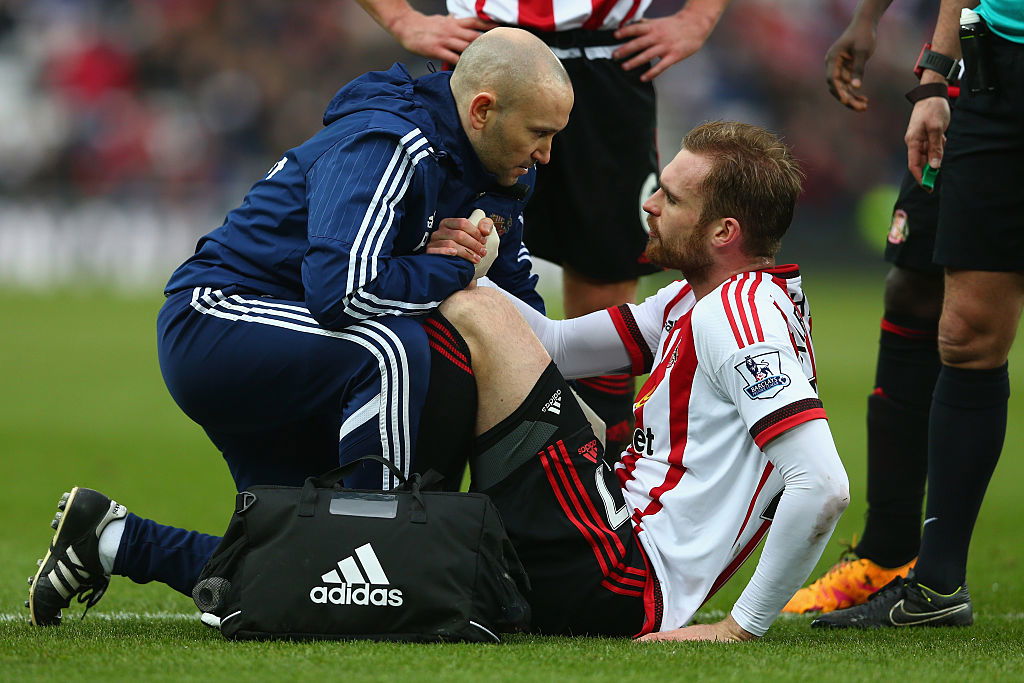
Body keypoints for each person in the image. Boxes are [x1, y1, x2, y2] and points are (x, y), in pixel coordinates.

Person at [25, 27, 574, 627]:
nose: (545, 154)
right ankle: (389, 565)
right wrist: (447, 270)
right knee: (389, 350)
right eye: (539, 133)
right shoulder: (389, 141)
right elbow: (342, 289)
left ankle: (112, 541)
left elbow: (518, 307)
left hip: (300, 338)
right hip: (216, 318)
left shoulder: (505, 170)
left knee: (294, 563)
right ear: (482, 110)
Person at [438, 121, 848, 638]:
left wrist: (740, 628)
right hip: (612, 533)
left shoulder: (737, 316)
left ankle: (400, 521)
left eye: (672, 199)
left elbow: (824, 486)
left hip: (625, 574)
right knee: (474, 306)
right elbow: (557, 347)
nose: (650, 204)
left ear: (724, 232)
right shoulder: (696, 297)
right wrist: (482, 263)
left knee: (469, 309)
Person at [356, 0, 733, 457]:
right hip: (489, 56)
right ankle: (442, 501)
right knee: (456, 270)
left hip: (607, 61)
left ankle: (599, 497)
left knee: (602, 300)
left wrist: (700, 16)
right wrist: (401, 17)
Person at [813, 0, 1023, 628]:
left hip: (974, 69)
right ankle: (919, 573)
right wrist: (934, 73)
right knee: (958, 327)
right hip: (989, 71)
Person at [784, 0, 951, 614]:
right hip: (968, 76)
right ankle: (887, 553)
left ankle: (929, 573)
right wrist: (869, 18)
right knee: (911, 286)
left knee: (968, 318)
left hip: (969, 71)